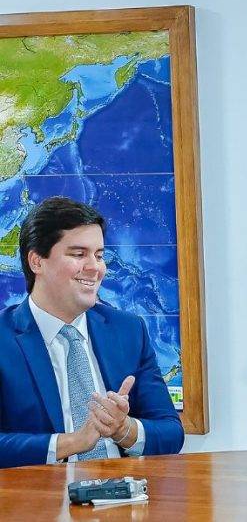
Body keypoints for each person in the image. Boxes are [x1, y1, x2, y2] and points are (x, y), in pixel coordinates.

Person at [0, 197, 184, 468]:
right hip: (37, 503)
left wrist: (124, 430)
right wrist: (73, 442)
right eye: (78, 254)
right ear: (37, 262)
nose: (95, 268)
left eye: (99, 255)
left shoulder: (128, 330)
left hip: (122, 500)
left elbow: (171, 432)